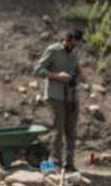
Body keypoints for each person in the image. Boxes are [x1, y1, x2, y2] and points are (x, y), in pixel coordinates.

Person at [33, 28, 84, 172]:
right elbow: (38, 70)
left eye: (76, 46)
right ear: (66, 40)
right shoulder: (53, 50)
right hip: (55, 95)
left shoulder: (74, 52)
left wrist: (78, 74)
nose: (74, 48)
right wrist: (57, 76)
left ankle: (70, 163)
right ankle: (54, 163)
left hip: (71, 96)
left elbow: (77, 68)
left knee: (71, 131)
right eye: (72, 45)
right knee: (58, 129)